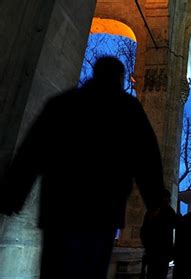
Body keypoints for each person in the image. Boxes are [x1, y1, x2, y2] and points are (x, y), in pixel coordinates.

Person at [0, 56, 164, 279]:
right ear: (120, 78)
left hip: (60, 206)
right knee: (90, 269)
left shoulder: (63, 103)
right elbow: (147, 157)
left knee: (55, 269)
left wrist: (13, 194)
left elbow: (31, 150)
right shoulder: (128, 108)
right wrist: (154, 200)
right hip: (103, 207)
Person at [140, 189, 177, 279]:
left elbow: (144, 230)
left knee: (152, 273)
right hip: (162, 250)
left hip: (153, 249)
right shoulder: (168, 211)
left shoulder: (152, 211)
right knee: (159, 273)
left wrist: (146, 246)